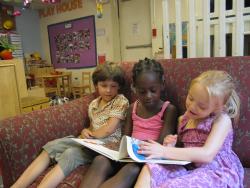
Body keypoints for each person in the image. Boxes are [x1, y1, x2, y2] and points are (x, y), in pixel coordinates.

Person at [11, 62, 129, 188]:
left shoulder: (120, 101)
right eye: (104, 85)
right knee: (51, 146)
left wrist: (91, 135)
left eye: (113, 86)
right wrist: (85, 131)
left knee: (71, 153)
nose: (108, 90)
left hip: (107, 147)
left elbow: (108, 129)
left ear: (119, 87)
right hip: (90, 142)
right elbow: (92, 127)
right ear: (96, 85)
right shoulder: (94, 104)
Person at [135, 70, 244, 188]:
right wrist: (170, 145)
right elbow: (182, 149)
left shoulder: (221, 120)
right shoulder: (184, 119)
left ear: (217, 108)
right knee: (150, 168)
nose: (192, 106)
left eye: (201, 106)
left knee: (172, 185)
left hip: (216, 172)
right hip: (190, 168)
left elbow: (207, 155)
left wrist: (163, 151)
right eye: (191, 98)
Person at [80, 58, 177, 188]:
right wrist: (115, 148)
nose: (148, 96)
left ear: (162, 84)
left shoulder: (169, 110)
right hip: (128, 156)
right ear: (134, 88)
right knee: (100, 160)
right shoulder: (132, 108)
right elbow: (125, 138)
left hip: (147, 159)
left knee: (131, 169)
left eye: (153, 90)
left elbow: (161, 144)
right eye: (142, 92)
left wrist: (138, 150)